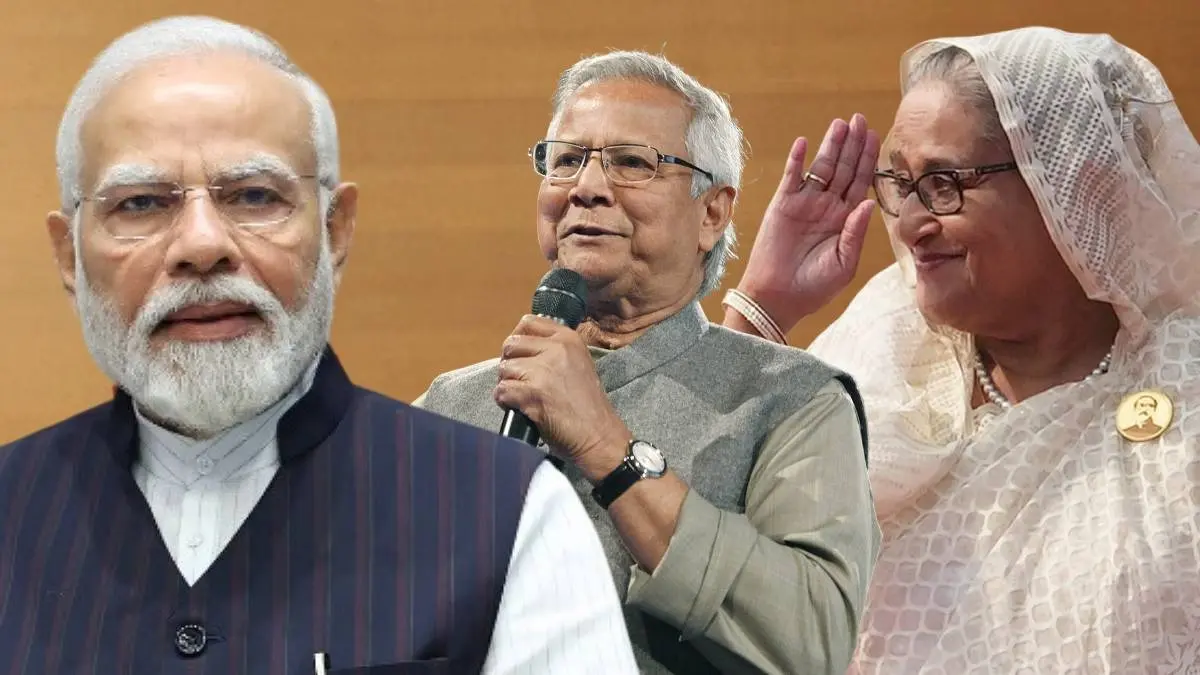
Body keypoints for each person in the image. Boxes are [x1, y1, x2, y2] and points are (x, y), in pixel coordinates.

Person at [0, 15, 637, 675]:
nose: (200, 245)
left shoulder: (513, 515)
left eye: (253, 195)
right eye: (138, 204)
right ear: (69, 255)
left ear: (335, 232)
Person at [721, 26, 1200, 672]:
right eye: (899, 184)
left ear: (1070, 184)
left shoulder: (1185, 384)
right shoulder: (883, 358)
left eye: (944, 184)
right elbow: (685, 531)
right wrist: (762, 306)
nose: (912, 224)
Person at [416, 50, 880, 675]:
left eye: (632, 163)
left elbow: (812, 640)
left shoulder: (793, 402)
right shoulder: (452, 405)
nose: (586, 187)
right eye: (567, 161)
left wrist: (608, 445)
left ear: (712, 213)